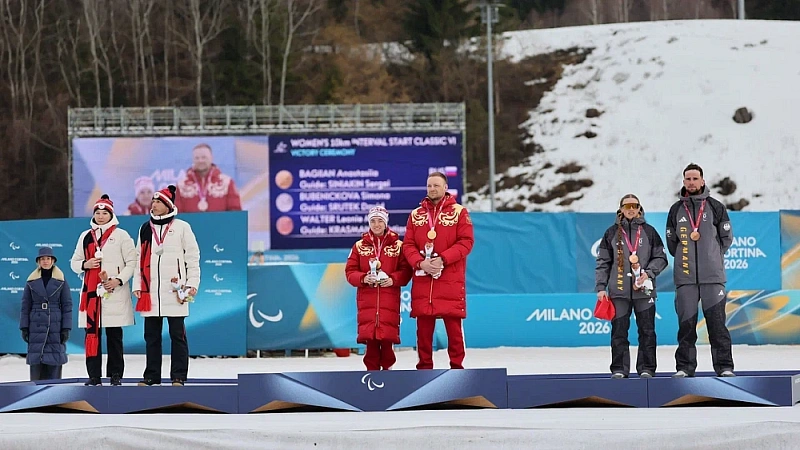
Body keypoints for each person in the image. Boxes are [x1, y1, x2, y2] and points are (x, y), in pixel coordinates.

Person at [666, 163, 735, 378]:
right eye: (688, 179)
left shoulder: (716, 207)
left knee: (717, 325)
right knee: (686, 327)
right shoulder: (676, 209)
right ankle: (685, 367)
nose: (692, 182)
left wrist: (712, 256)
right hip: (685, 278)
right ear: (684, 182)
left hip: (712, 278)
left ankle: (724, 367)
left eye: (695, 178)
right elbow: (672, 243)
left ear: (703, 181)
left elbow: (726, 239)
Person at [403, 172, 474, 370]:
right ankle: (424, 368)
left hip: (450, 279)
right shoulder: (416, 215)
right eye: (429, 186)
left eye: (436, 185)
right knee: (423, 331)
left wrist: (443, 258)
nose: (432, 189)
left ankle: (457, 369)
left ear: (445, 187)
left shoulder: (460, 212)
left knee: (454, 329)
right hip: (424, 280)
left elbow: (466, 242)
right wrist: (420, 263)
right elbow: (407, 245)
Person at [132, 185, 201, 386]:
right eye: (153, 201)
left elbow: (193, 257)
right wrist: (137, 284)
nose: (154, 204)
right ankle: (151, 376)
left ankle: (178, 376)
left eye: (158, 201)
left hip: (176, 291)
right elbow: (139, 258)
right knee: (151, 337)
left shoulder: (182, 227)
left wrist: (191, 283)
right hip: (150, 293)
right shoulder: (145, 228)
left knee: (177, 336)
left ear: (168, 205)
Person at [595, 194, 668, 379]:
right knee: (619, 332)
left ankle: (647, 369)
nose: (630, 208)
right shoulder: (611, 233)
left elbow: (661, 258)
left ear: (639, 208)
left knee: (647, 332)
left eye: (634, 205)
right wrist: (601, 287)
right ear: (620, 209)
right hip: (618, 292)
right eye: (627, 205)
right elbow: (603, 261)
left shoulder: (649, 231)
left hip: (644, 291)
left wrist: (648, 273)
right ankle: (619, 369)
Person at [70, 194, 137, 386]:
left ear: (111, 215)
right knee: (92, 335)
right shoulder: (85, 236)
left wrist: (118, 279)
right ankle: (94, 376)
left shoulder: (121, 235)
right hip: (92, 295)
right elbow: (74, 263)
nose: (100, 216)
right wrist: (86, 263)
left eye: (104, 213)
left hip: (114, 291)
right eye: (97, 213)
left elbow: (132, 263)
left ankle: (115, 374)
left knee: (115, 337)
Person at [345, 206, 413, 370]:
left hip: (389, 302)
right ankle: (371, 379)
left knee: (387, 344)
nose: (376, 225)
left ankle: (388, 376)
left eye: (380, 221)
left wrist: (392, 280)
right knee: (371, 347)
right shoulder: (359, 246)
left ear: (386, 223)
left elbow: (406, 271)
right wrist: (363, 278)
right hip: (367, 303)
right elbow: (349, 271)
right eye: (373, 221)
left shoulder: (398, 246)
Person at [19, 247, 73, 381]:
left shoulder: (61, 280)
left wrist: (66, 328)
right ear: (38, 261)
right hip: (35, 324)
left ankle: (53, 396)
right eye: (42, 259)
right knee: (37, 363)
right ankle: (35, 398)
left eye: (48, 258)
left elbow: (67, 305)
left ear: (53, 260)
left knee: (54, 361)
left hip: (55, 324)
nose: (45, 261)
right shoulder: (31, 281)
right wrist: (24, 327)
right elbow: (25, 305)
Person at [175, 143, 242, 212]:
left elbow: (235, 212)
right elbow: (176, 213)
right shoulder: (181, 185)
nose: (200, 161)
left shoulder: (227, 182)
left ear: (211, 158)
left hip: (220, 223)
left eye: (204, 157)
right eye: (197, 158)